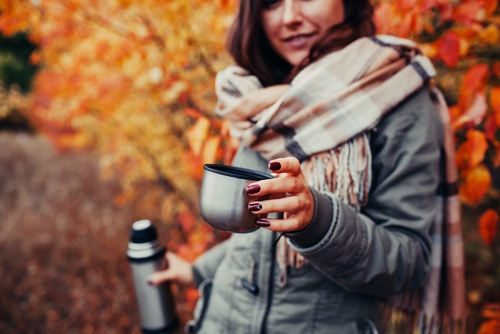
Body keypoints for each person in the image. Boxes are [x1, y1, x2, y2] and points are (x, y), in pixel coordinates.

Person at [149, 0, 466, 333]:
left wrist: (318, 221)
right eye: (271, 3)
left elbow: (408, 263)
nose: (290, 18)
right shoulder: (259, 99)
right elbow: (258, 241)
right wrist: (198, 272)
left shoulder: (397, 94)